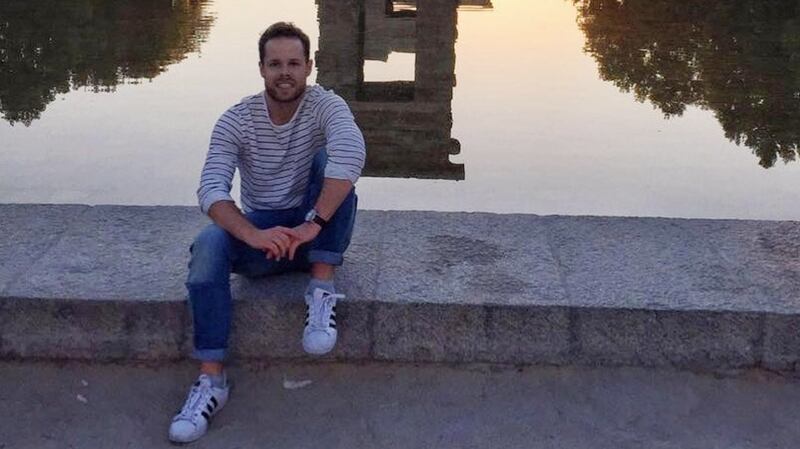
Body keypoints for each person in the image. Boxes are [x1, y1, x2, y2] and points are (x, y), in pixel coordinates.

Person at [168, 22, 365, 444]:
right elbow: (211, 190)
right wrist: (252, 235)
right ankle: (211, 382)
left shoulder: (326, 106)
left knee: (334, 163)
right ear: (261, 68)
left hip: (313, 233)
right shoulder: (236, 120)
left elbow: (351, 155)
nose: (285, 72)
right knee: (206, 247)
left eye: (294, 63)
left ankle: (321, 288)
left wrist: (312, 223)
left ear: (309, 66)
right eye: (275, 64)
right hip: (264, 235)